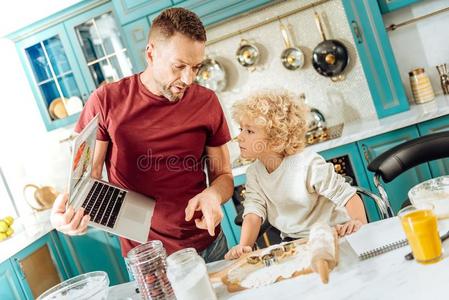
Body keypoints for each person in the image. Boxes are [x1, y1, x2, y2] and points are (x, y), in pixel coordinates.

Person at [51, 7, 234, 263]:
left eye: (196, 68)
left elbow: (223, 175)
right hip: (147, 258)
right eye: (179, 66)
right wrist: (65, 216)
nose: (188, 79)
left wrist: (213, 194)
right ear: (150, 53)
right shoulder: (106, 102)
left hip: (208, 245)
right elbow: (85, 179)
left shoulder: (207, 102)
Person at [224, 90, 367, 260]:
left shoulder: (307, 164)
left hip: (334, 233)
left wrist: (358, 222)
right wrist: (244, 246)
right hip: (296, 243)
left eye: (249, 131)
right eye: (241, 129)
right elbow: (254, 211)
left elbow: (349, 196)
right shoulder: (254, 172)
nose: (238, 137)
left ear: (276, 138)